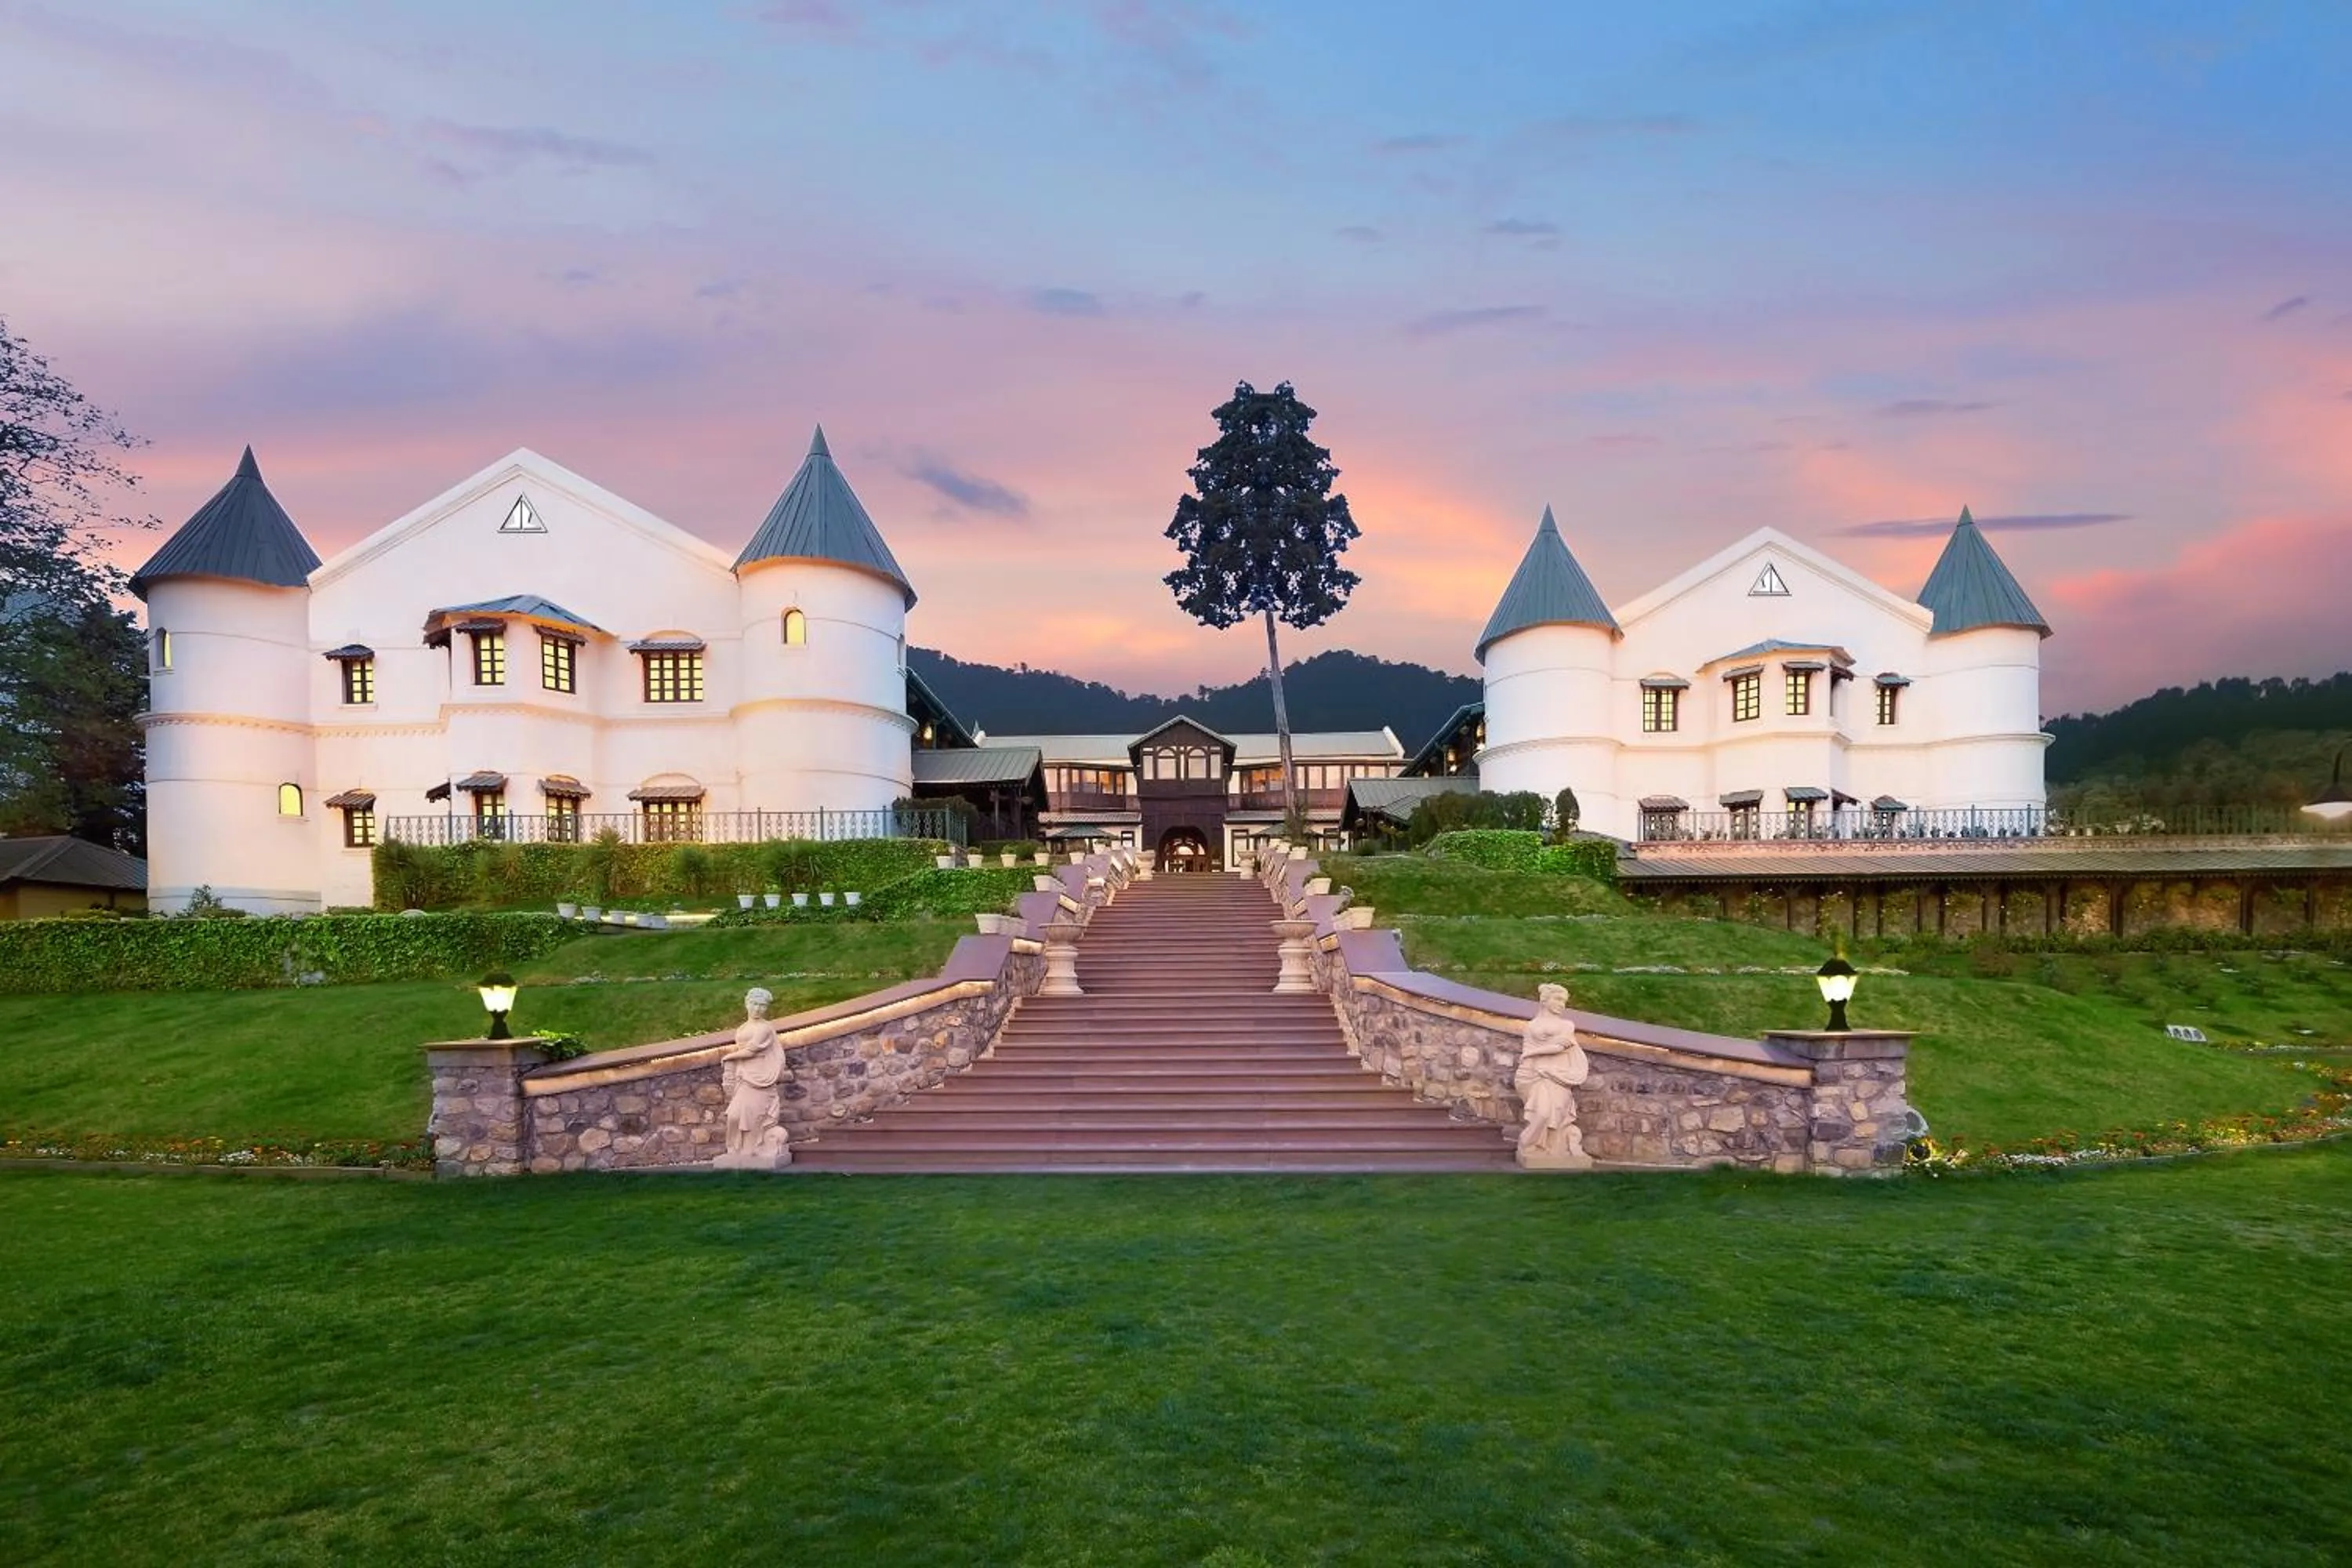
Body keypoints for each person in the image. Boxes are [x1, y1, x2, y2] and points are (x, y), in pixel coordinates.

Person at [1515, 982, 1592, 1168]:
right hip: (1529, 1075)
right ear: (1545, 1000)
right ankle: (1534, 1148)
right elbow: (1527, 1049)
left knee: (1544, 1114)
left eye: (1564, 1001)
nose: (1561, 1004)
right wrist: (1528, 1060)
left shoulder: (1566, 1025)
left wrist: (1530, 1054)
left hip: (1556, 1075)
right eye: (1557, 999)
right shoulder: (1531, 1026)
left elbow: (1559, 1047)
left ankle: (1534, 1145)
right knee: (1539, 1114)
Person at [717, 987, 789, 1168]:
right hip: (744, 1076)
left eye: (762, 1006)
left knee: (755, 1116)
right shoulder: (743, 1028)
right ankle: (736, 1149)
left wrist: (728, 1057)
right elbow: (744, 1052)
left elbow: (750, 1051)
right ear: (746, 1004)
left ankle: (752, 1150)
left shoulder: (765, 1028)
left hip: (762, 1077)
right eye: (754, 1004)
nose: (757, 1009)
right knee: (734, 1115)